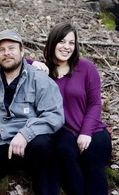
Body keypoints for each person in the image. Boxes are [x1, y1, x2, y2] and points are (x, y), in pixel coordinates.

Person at [0, 29, 65, 195]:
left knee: (45, 147)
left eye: (11, 48)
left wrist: (25, 133)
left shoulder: (39, 79)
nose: (7, 53)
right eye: (2, 50)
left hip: (29, 144)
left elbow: (54, 115)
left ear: (22, 51)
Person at [43, 22, 112, 195]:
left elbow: (95, 103)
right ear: (53, 43)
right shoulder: (44, 73)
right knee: (64, 155)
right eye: (62, 41)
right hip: (66, 133)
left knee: (91, 158)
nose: (66, 47)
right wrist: (33, 62)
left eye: (71, 43)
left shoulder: (86, 67)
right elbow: (18, 62)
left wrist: (86, 132)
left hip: (94, 131)